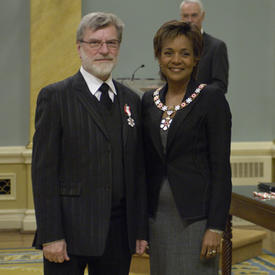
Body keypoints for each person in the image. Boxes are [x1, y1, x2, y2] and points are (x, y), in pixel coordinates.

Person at [31, 12, 148, 275]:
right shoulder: (56, 97)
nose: (104, 50)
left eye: (112, 43)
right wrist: (51, 235)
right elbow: (43, 172)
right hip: (68, 234)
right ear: (79, 47)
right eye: (95, 42)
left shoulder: (132, 100)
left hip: (118, 234)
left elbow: (137, 171)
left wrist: (139, 229)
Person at [142, 20, 232, 275]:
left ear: (196, 58)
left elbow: (220, 169)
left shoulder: (211, 99)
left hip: (196, 219)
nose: (176, 60)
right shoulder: (149, 100)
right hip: (157, 218)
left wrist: (215, 227)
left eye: (185, 53)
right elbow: (145, 164)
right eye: (168, 52)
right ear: (158, 57)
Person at [180, 0, 229, 93]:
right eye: (185, 16)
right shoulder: (176, 47)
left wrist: (195, 95)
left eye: (194, 15)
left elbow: (220, 85)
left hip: (204, 104)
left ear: (202, 16)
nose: (189, 20)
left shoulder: (216, 47)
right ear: (181, 18)